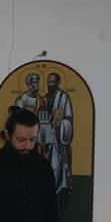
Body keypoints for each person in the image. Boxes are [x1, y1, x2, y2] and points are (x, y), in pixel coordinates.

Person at [41, 72, 73, 208]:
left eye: (53, 82)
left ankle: (56, 202)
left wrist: (61, 125)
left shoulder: (63, 97)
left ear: (58, 83)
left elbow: (69, 119)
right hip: (45, 140)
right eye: (48, 82)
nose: (50, 85)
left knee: (56, 170)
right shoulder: (44, 98)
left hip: (57, 142)